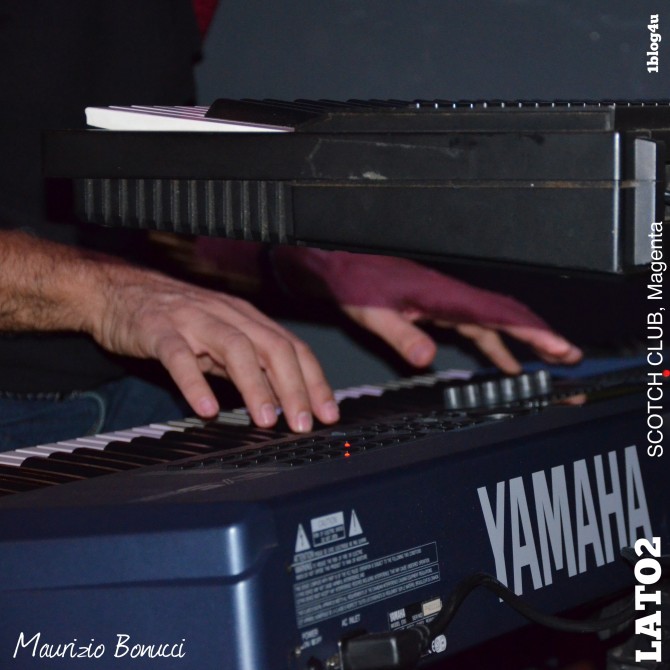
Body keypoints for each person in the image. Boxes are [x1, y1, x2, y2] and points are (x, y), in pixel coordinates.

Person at [0, 1, 581, 451]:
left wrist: (316, 264)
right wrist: (106, 295)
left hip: (145, 398)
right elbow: (112, 282)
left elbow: (128, 214)